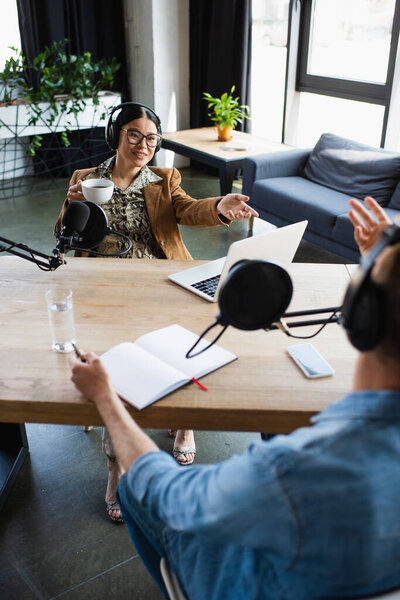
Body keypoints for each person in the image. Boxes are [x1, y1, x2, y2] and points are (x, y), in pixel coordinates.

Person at [67, 197, 400, 599]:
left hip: (256, 585)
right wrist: (379, 262)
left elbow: (169, 494)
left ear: (361, 313)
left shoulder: (289, 470)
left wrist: (106, 398)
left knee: (134, 489)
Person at [55, 102, 258, 523]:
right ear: (116, 135)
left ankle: (184, 423)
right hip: (104, 284)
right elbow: (64, 234)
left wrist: (221, 205)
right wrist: (70, 205)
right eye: (133, 134)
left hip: (162, 278)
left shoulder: (166, 179)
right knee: (116, 373)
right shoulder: (84, 179)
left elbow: (187, 209)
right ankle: (115, 469)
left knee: (182, 353)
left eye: (151, 138)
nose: (143, 145)